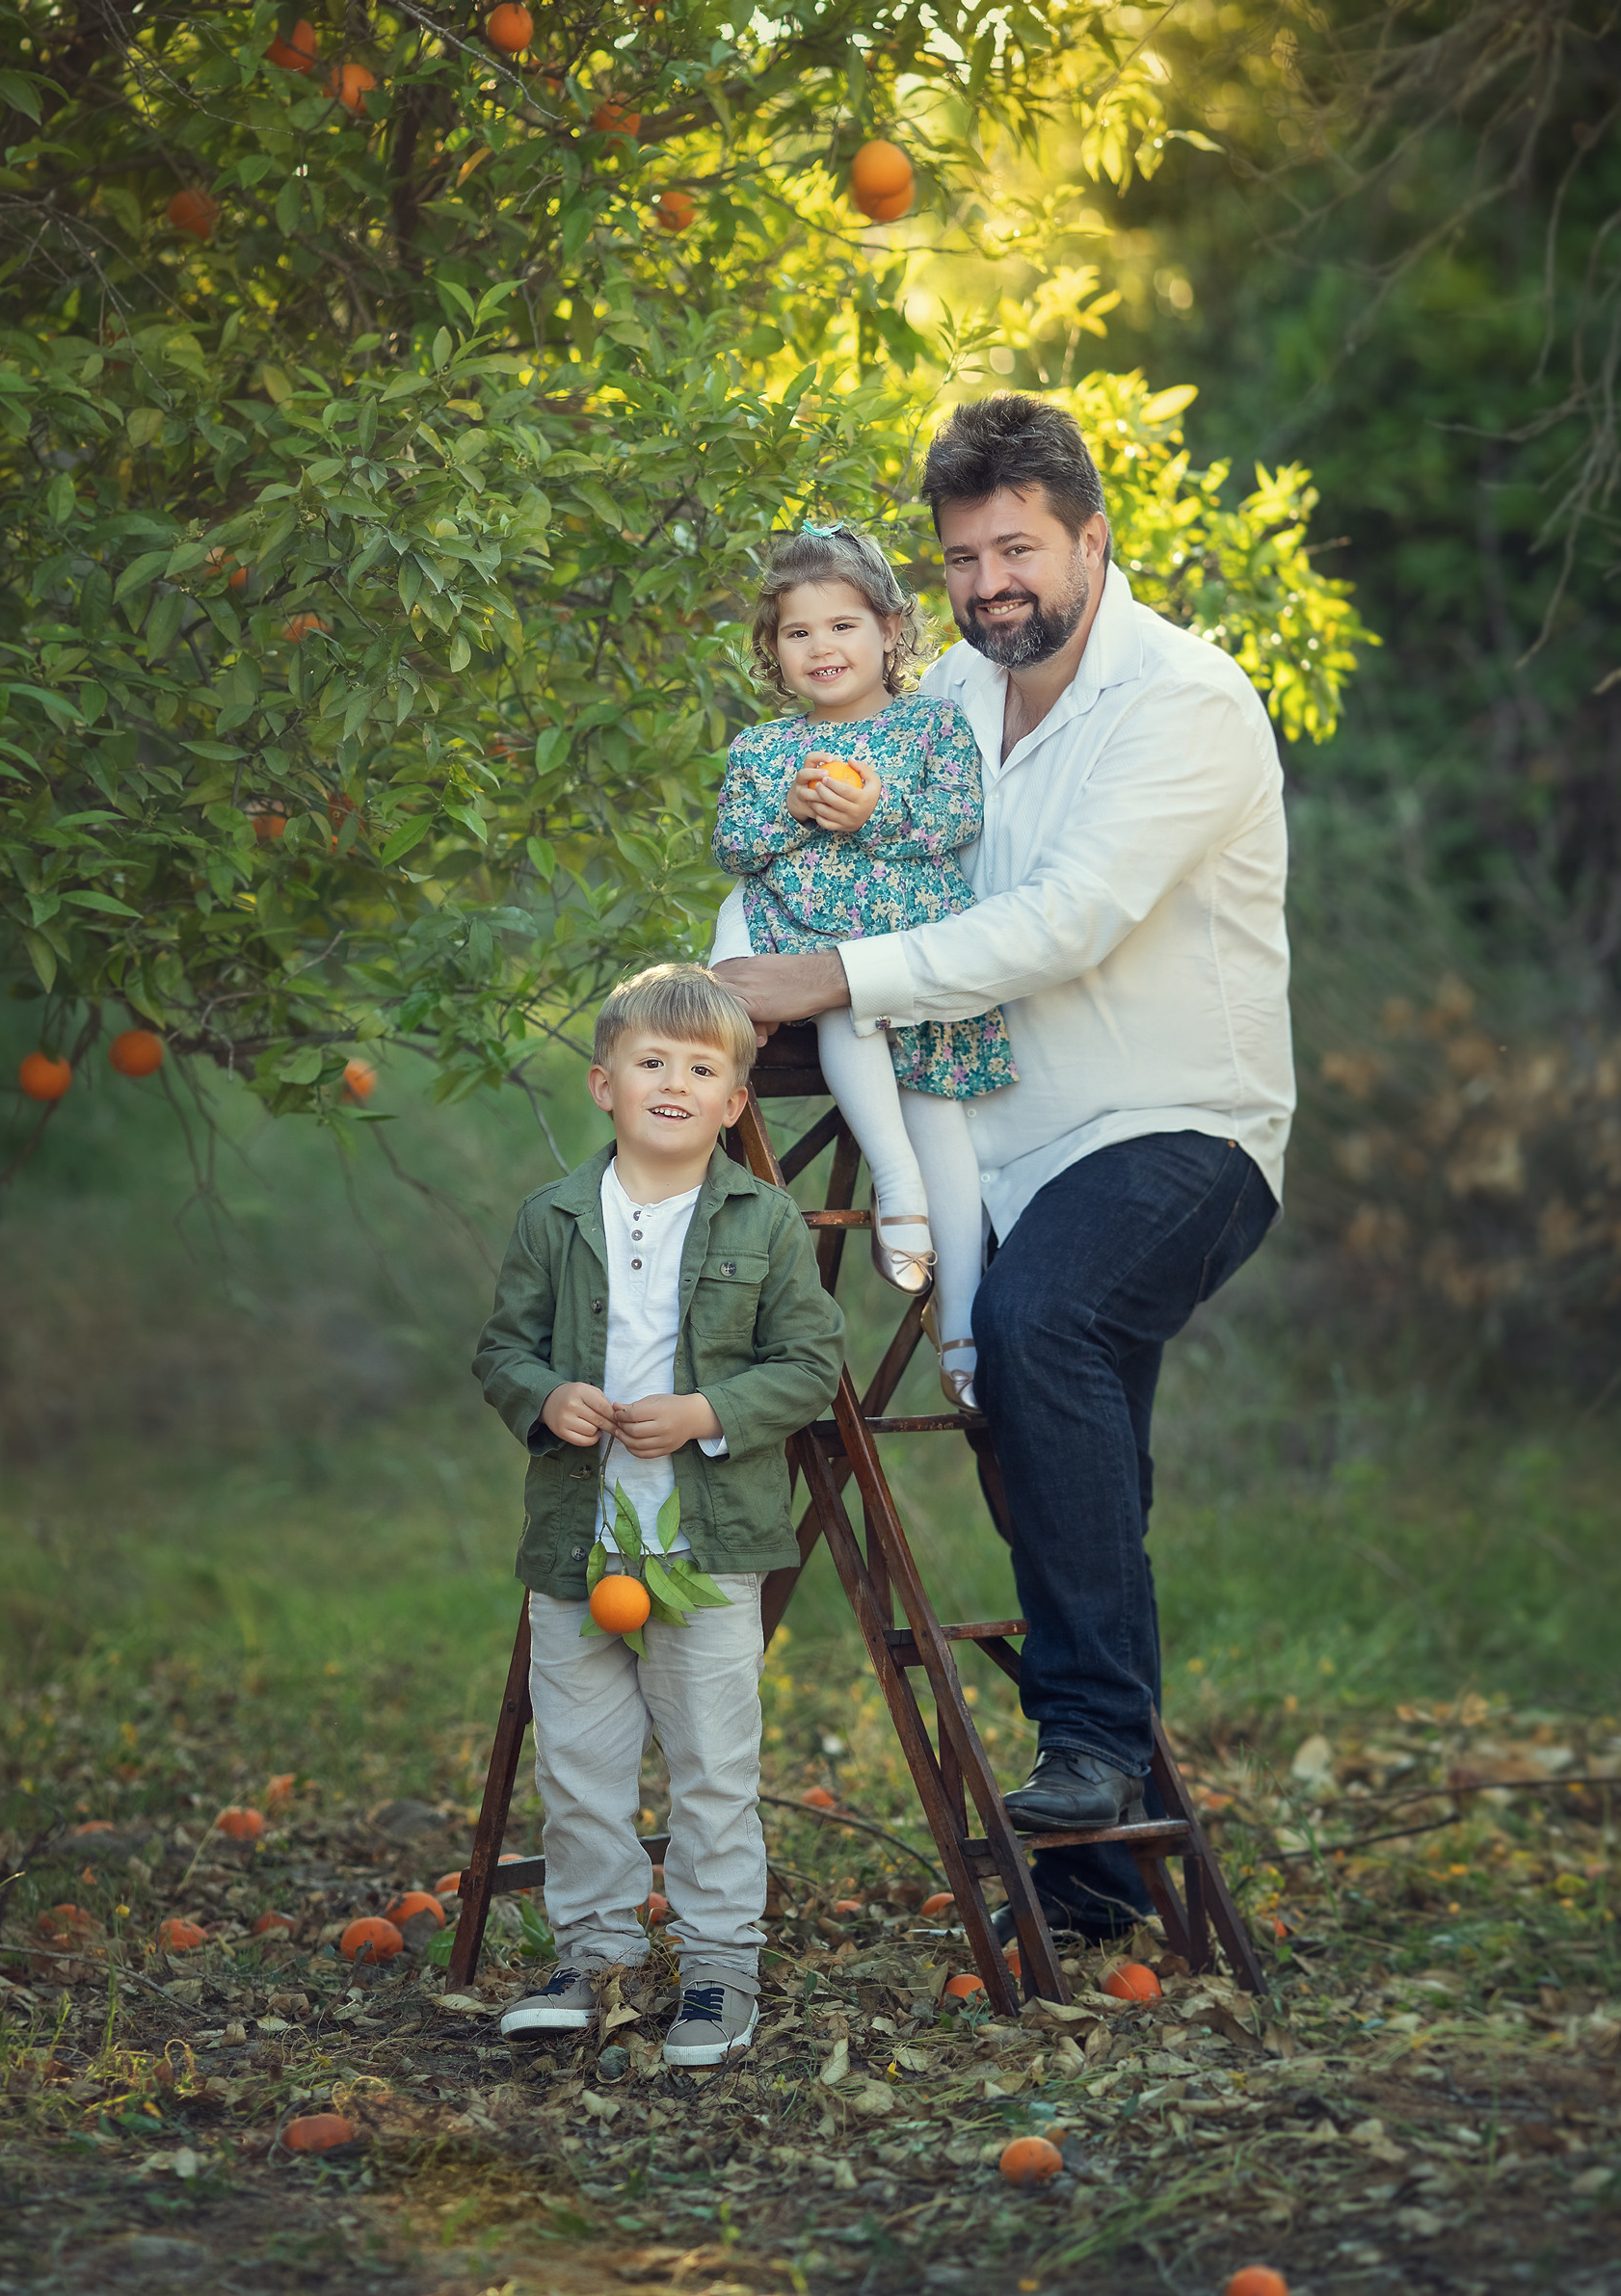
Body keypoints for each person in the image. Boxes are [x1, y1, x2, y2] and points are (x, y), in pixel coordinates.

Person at [712, 394, 1291, 1941]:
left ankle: (1095, 1753)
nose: (989, 585)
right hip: (1000, 1139)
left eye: (1017, 548)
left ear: (1093, 537)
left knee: (1041, 1329)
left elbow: (1065, 923)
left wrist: (830, 974)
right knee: (1052, 1450)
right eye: (963, 558)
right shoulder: (952, 697)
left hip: (1178, 1124)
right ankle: (1103, 1868)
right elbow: (864, 835)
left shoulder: (1184, 700)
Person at [472, 963, 847, 2060]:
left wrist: (704, 1411)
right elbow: (502, 1347)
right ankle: (593, 1955)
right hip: (579, 1548)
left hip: (706, 1541)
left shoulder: (763, 1220)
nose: (672, 1083)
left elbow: (811, 1361)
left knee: (711, 1766)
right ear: (604, 1084)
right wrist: (547, 1396)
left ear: (734, 1101)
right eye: (650, 1064)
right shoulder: (550, 1218)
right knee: (580, 1764)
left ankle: (720, 1967)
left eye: (699, 1069)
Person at [711, 524, 1015, 1409]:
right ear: (773, 651)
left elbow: (955, 822)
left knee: (943, 1123)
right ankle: (895, 1184)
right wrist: (797, 814)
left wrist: (873, 811)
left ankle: (962, 1318)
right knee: (843, 999)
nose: (823, 648)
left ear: (889, 629)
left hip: (911, 952)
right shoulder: (766, 749)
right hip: (824, 958)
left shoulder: (931, 726)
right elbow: (735, 846)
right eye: (798, 633)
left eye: (843, 626)